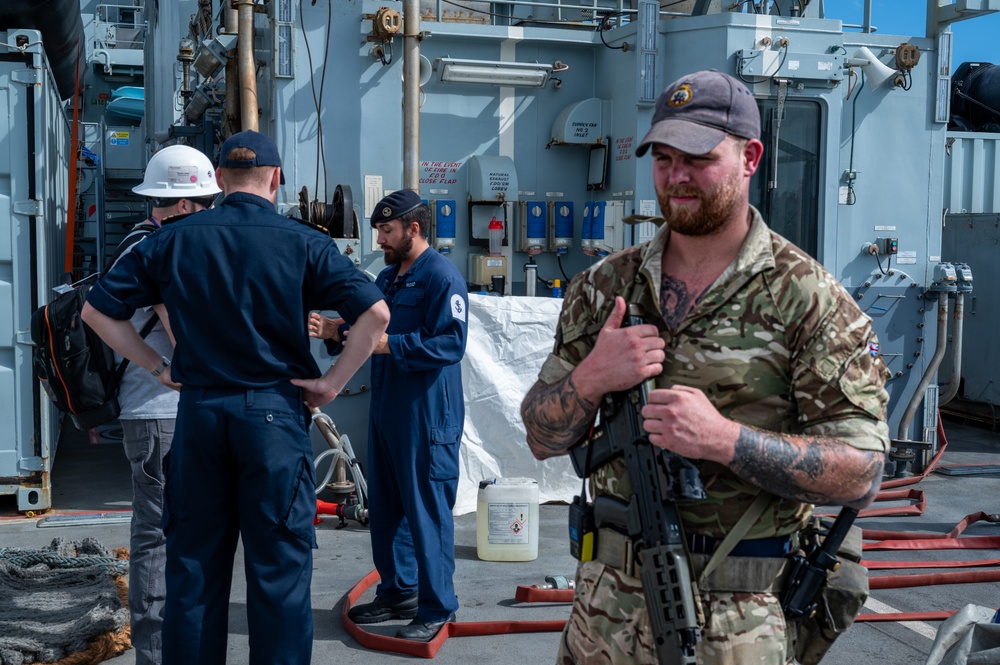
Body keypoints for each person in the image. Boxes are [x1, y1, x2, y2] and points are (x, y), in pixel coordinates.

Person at [520, 70, 890, 665]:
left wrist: (724, 440)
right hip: (604, 619)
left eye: (697, 157)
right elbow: (540, 435)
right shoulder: (603, 287)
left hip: (735, 628)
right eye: (662, 158)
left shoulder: (809, 299)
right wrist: (591, 377)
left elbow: (861, 474)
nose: (676, 177)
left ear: (751, 157)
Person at [81, 129, 390, 665]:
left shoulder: (171, 239)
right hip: (274, 418)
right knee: (280, 574)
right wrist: (332, 383)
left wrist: (159, 367)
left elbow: (95, 312)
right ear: (275, 178)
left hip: (200, 415)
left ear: (219, 180)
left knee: (194, 570)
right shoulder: (305, 242)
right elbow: (376, 314)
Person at [309, 189, 468, 642]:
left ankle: (438, 607)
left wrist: (390, 345)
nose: (380, 238)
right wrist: (336, 331)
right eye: (379, 229)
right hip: (389, 412)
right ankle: (399, 591)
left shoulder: (441, 277)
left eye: (386, 230)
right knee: (387, 507)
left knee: (426, 510)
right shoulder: (388, 279)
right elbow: (366, 329)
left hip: (427, 414)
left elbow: (450, 345)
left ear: (412, 229)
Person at [113, 144, 221, 665]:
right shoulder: (158, 250)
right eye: (204, 202)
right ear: (183, 205)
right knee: (158, 537)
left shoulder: (145, 241)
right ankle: (156, 656)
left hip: (155, 412)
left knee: (165, 532)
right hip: (161, 413)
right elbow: (188, 338)